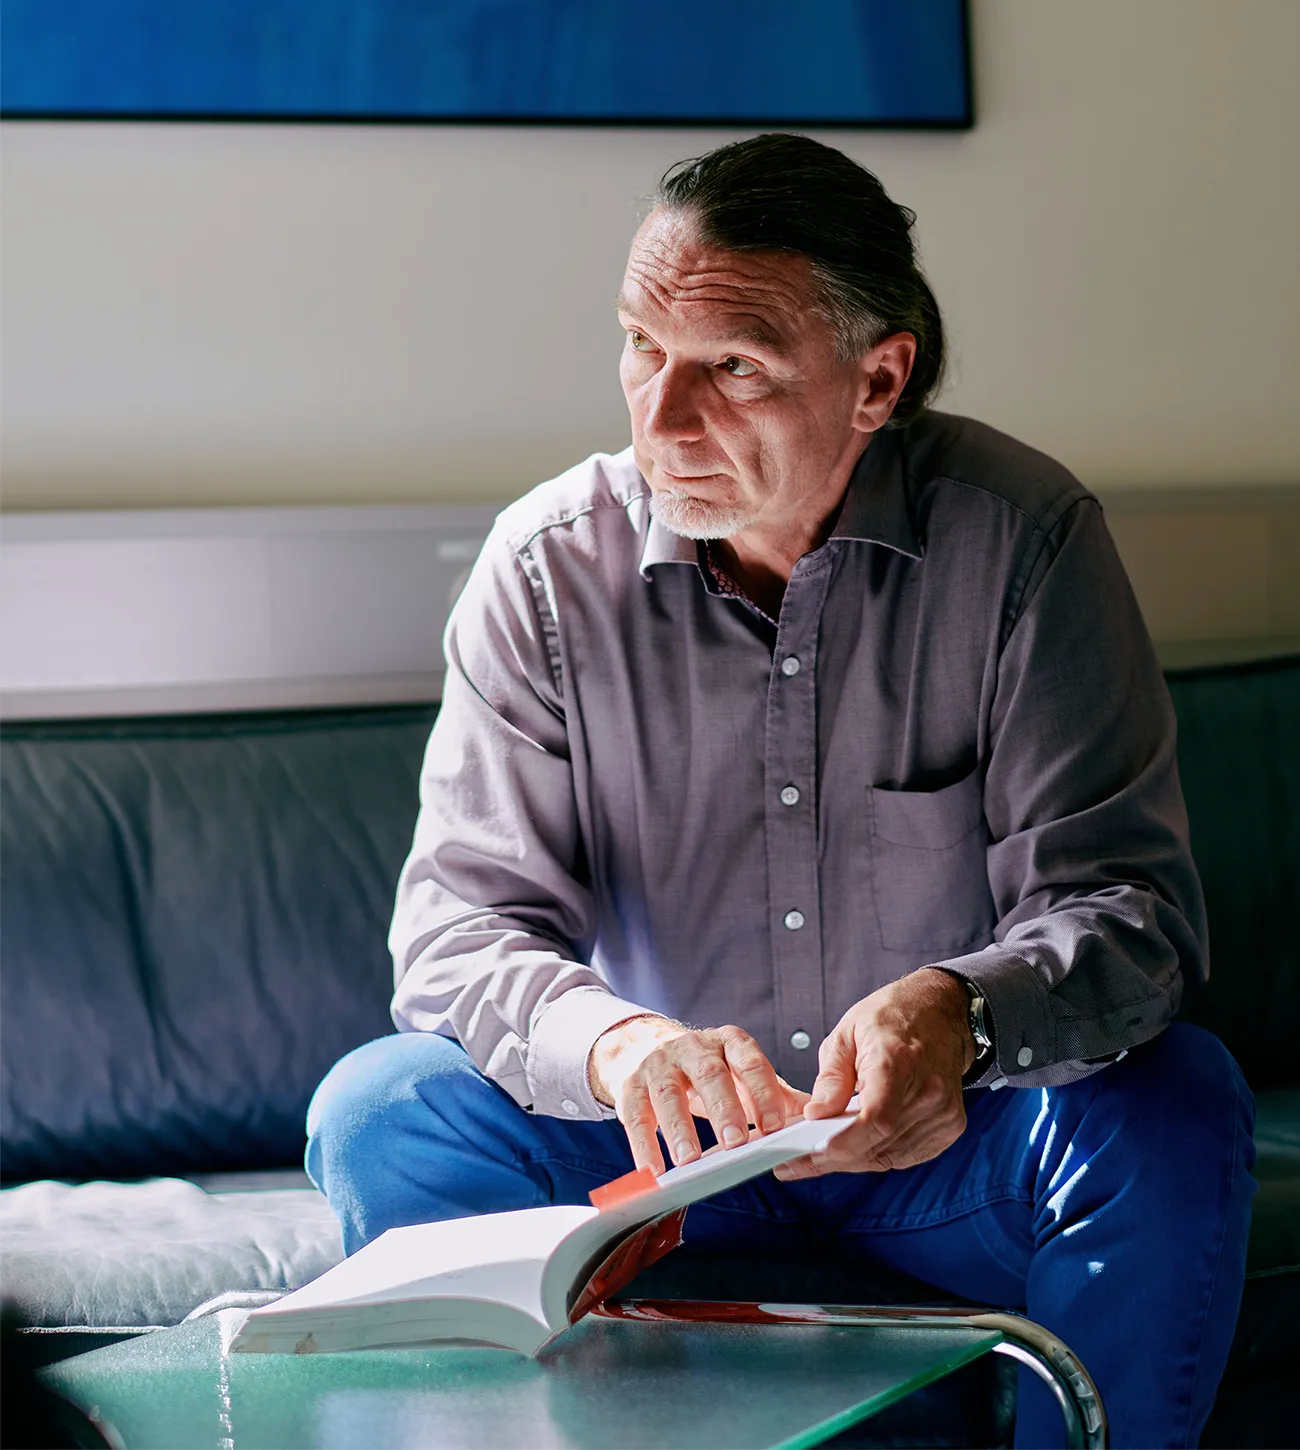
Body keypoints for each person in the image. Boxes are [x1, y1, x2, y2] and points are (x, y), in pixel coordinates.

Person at [306, 134, 1254, 1448]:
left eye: (733, 368)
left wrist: (963, 1015)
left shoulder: (1026, 542)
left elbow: (1128, 907)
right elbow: (460, 930)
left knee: (1176, 1099)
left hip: (944, 1153)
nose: (660, 417)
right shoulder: (542, 572)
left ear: (879, 379)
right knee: (382, 1104)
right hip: (653, 1171)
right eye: (642, 345)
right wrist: (622, 1043)